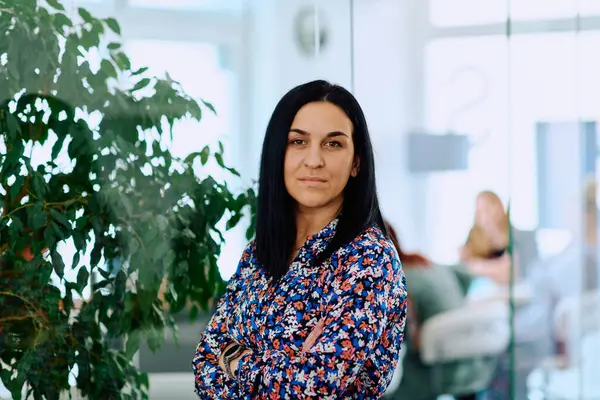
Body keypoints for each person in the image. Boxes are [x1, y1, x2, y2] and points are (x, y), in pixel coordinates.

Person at [191, 80, 408, 399]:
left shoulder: (370, 261)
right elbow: (204, 366)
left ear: (356, 162)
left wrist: (236, 358)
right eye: (298, 142)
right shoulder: (259, 252)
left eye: (333, 144)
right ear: (278, 152)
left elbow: (309, 390)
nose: (314, 160)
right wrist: (282, 367)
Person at [384, 222, 502, 400]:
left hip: (435, 372)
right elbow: (467, 277)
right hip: (472, 362)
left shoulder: (397, 279)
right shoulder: (427, 264)